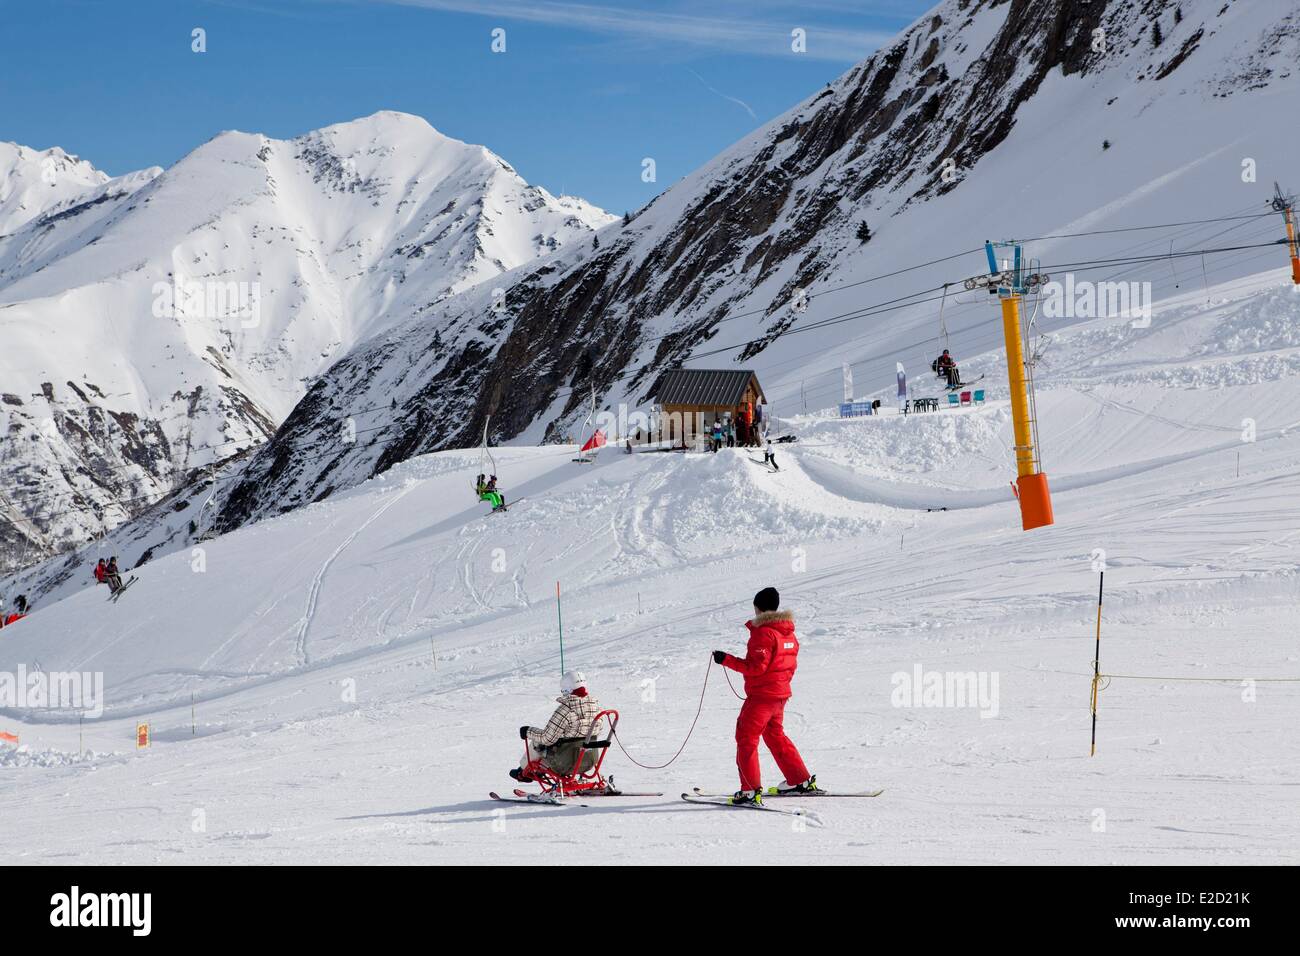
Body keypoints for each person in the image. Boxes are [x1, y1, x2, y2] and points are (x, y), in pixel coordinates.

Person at [712, 587, 816, 805]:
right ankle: (800, 780)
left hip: (762, 698)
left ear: (758, 607)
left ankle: (749, 791)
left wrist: (726, 659)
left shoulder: (764, 632)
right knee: (775, 735)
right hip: (779, 697)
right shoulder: (788, 633)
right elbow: (789, 666)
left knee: (746, 738)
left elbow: (756, 667)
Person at [511, 671, 602, 782]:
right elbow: (598, 730)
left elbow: (547, 738)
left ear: (566, 689)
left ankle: (524, 772)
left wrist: (528, 731)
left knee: (537, 742)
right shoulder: (596, 706)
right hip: (590, 760)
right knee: (555, 741)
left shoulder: (566, 709)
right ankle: (530, 771)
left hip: (564, 763)